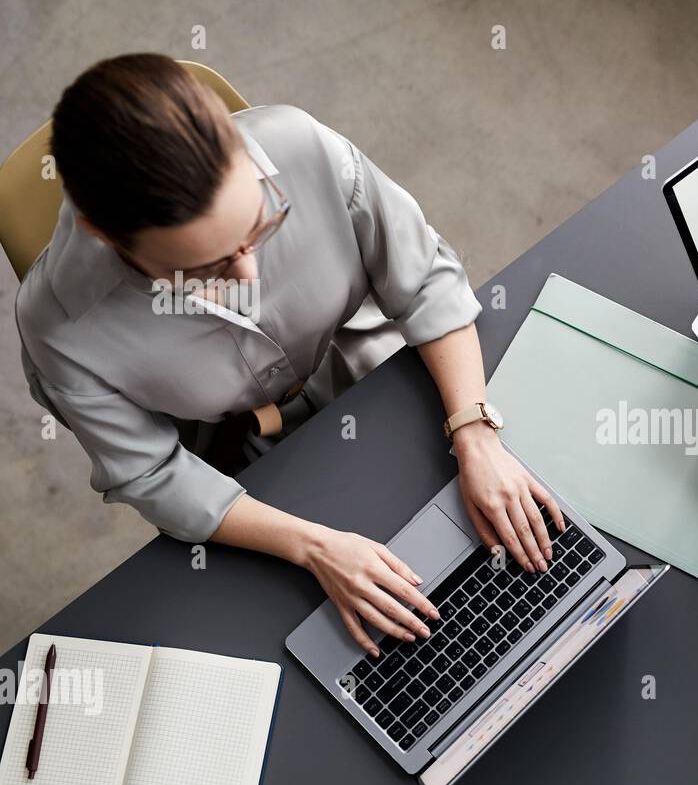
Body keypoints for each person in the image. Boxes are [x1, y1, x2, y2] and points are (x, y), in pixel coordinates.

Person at [15, 54, 563, 659]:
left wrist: (476, 432)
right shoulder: (61, 330)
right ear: (105, 234)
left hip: (377, 369)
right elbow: (152, 475)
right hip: (243, 462)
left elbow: (427, 278)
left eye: (259, 224)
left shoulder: (298, 144)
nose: (249, 272)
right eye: (205, 269)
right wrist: (317, 549)